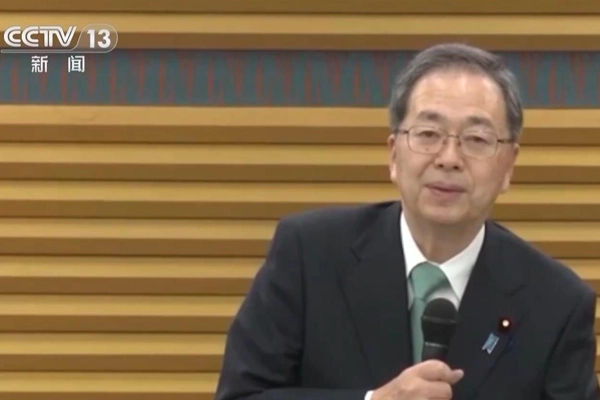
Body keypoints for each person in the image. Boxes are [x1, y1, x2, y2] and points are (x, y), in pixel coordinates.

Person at [215, 43, 600, 400]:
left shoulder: (557, 305)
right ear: (394, 154)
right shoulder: (308, 256)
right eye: (429, 134)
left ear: (509, 167)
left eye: (477, 139)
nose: (449, 158)